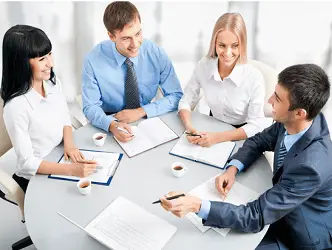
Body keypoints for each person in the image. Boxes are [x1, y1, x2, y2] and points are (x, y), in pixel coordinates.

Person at [160, 64, 332, 249]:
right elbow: (259, 140)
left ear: (299, 113)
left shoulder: (311, 166)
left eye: (278, 98)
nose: (269, 100)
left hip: (295, 234)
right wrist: (233, 169)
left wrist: (197, 206)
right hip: (275, 207)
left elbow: (256, 216)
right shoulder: (296, 122)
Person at [1, 25, 96, 193]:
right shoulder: (16, 107)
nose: (50, 64)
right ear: (21, 63)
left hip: (60, 155)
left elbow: (64, 115)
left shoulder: (52, 82)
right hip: (38, 174)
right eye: (41, 59)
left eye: (49, 54)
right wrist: (73, 170)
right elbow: (27, 164)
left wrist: (69, 143)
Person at [82, 1, 183, 143]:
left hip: (147, 120)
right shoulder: (93, 60)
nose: (135, 44)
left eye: (138, 33)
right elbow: (90, 106)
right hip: (111, 123)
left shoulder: (155, 53)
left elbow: (176, 95)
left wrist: (140, 112)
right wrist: (112, 125)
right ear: (111, 36)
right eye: (126, 38)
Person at [179, 13, 266, 147]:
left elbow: (256, 125)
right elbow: (187, 100)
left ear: (242, 44)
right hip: (211, 128)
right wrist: (189, 128)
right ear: (214, 43)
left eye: (235, 46)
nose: (227, 53)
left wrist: (218, 138)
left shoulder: (254, 77)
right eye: (222, 45)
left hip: (240, 135)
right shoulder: (204, 66)